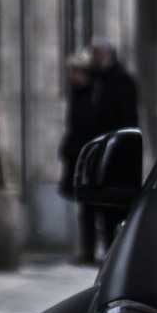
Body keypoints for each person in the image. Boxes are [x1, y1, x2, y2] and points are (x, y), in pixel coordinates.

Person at [87, 37, 139, 256]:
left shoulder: (121, 80)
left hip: (118, 155)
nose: (93, 59)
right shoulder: (96, 81)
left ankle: (115, 250)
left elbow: (127, 118)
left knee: (115, 209)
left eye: (96, 54)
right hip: (100, 153)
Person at [59, 48, 100, 264]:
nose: (70, 77)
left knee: (94, 206)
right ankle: (88, 250)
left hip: (91, 157)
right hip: (78, 155)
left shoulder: (96, 94)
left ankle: (95, 250)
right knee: (85, 207)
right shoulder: (78, 95)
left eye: (73, 72)